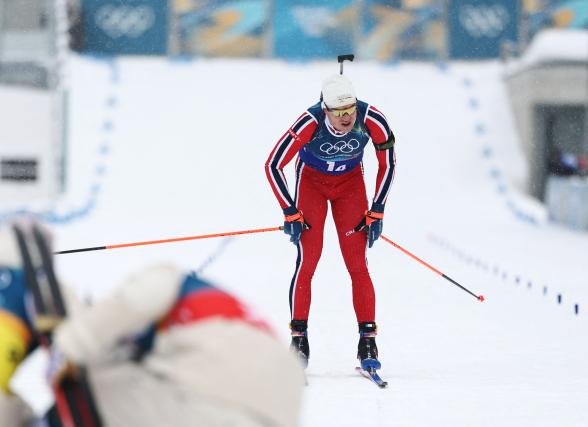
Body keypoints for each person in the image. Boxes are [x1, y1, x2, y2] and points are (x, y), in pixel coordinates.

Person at [0, 222, 305, 427]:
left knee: (91, 379)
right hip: (272, 410)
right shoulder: (223, 318)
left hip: (212, 395)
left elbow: (144, 293)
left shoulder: (176, 284)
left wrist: (71, 344)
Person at [265, 74, 396, 371]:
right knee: (308, 261)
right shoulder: (308, 122)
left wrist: (377, 209)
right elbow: (273, 164)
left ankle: (367, 340)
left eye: (350, 109)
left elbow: (388, 163)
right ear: (325, 110)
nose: (347, 117)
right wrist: (289, 210)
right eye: (338, 113)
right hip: (312, 184)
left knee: (357, 264)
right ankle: (299, 340)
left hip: (350, 187)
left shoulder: (372, 118)